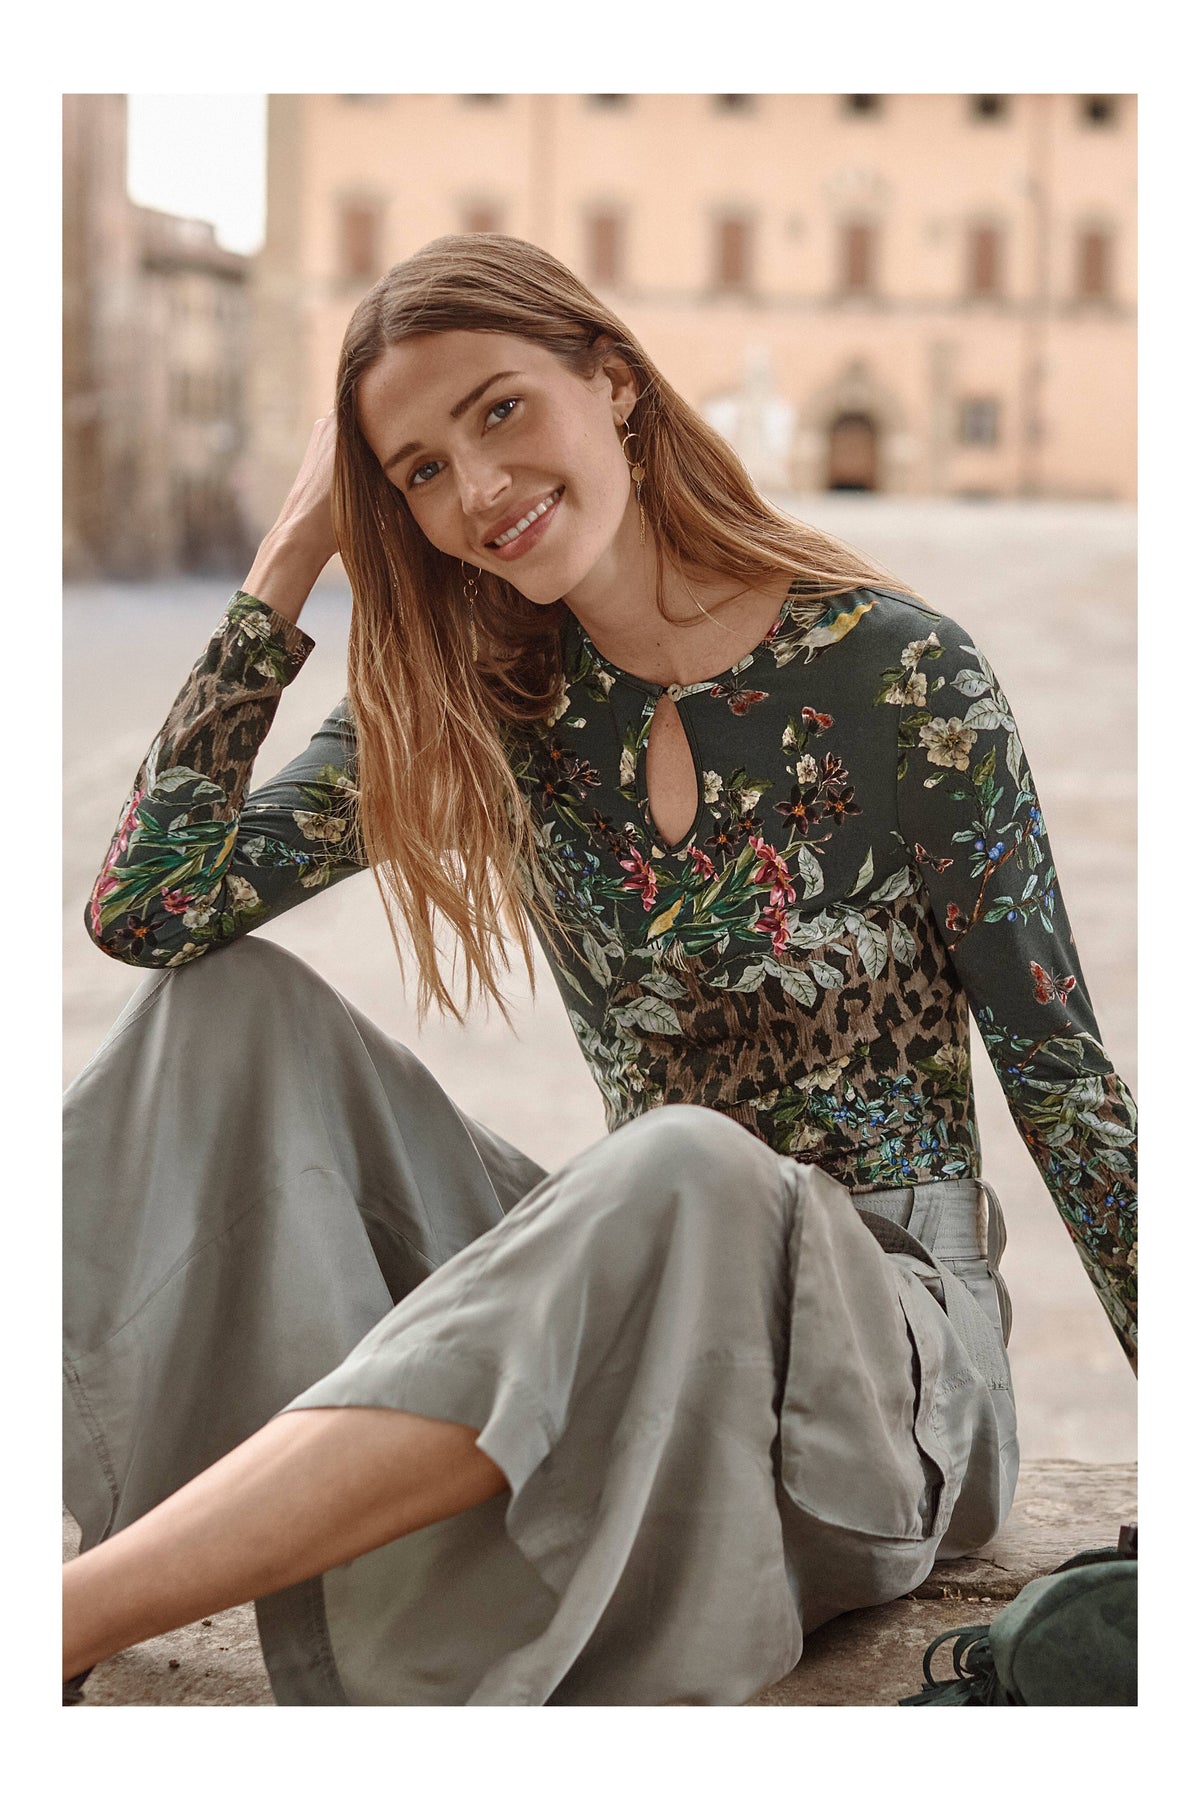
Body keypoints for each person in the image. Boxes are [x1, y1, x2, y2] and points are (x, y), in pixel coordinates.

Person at [63, 234, 1136, 1707]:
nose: (479, 489)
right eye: (421, 471)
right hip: (645, 1295)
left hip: (889, 1369)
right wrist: (294, 554)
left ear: (612, 383)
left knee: (682, 1161)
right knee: (220, 1011)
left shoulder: (900, 676)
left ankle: (61, 1614)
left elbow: (1068, 1087)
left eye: (500, 411)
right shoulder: (487, 701)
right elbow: (149, 911)